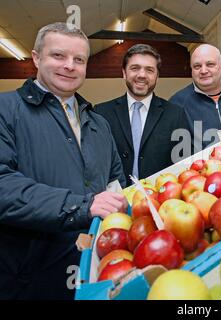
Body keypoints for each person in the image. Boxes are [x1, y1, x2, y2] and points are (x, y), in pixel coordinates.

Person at [0, 22, 128, 300]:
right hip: (28, 279)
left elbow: (115, 184)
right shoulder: (6, 110)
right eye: (58, 56)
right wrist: (82, 205)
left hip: (91, 272)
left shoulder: (99, 124)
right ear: (36, 58)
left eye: (79, 59)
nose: (69, 66)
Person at [95, 44, 191, 187]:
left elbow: (184, 163)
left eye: (149, 70)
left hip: (161, 201)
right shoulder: (101, 113)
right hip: (113, 201)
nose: (142, 75)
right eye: (135, 68)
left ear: (157, 76)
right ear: (124, 73)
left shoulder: (176, 114)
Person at [170, 44, 221, 151]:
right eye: (197, 66)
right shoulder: (176, 104)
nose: (203, 71)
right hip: (199, 167)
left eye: (210, 64)